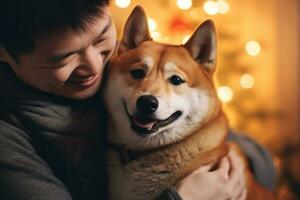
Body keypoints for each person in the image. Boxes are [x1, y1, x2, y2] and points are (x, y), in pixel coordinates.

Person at [0, 0, 275, 199]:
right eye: (64, 57)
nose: (95, 66)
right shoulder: (9, 140)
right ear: (5, 54)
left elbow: (259, 162)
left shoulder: (120, 70)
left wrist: (236, 166)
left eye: (101, 38)